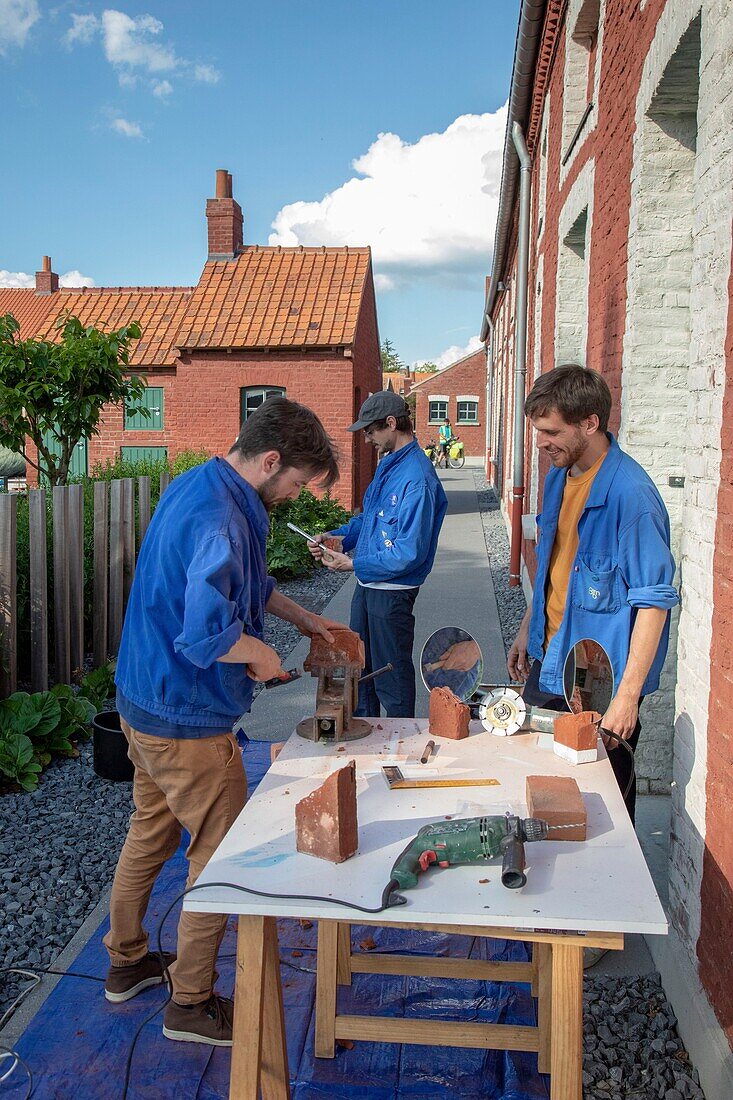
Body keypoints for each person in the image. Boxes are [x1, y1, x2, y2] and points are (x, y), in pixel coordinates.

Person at [103, 397, 343, 1046]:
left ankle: (125, 963)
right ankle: (190, 1003)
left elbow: (248, 586)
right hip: (186, 720)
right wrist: (262, 655)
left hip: (142, 702)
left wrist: (304, 621)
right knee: (217, 857)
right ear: (270, 461)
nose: (294, 496)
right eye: (294, 482)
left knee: (149, 833)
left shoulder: (207, 485)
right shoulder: (221, 522)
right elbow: (205, 634)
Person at [507, 365, 678, 827]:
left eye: (551, 431)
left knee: (604, 811)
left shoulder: (631, 496)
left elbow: (654, 601)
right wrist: (528, 628)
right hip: (550, 658)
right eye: (538, 431)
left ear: (590, 423)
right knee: (542, 785)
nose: (540, 443)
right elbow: (553, 566)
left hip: (601, 684)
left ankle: (612, 896)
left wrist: (627, 696)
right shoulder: (558, 478)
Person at [309, 391, 448, 717]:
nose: (367, 438)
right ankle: (368, 742)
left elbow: (409, 552)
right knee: (362, 671)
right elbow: (370, 517)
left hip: (393, 593)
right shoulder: (390, 465)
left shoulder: (417, 477)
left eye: (370, 431)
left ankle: (401, 749)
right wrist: (337, 538)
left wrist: (355, 563)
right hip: (371, 585)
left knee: (392, 676)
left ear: (391, 423)